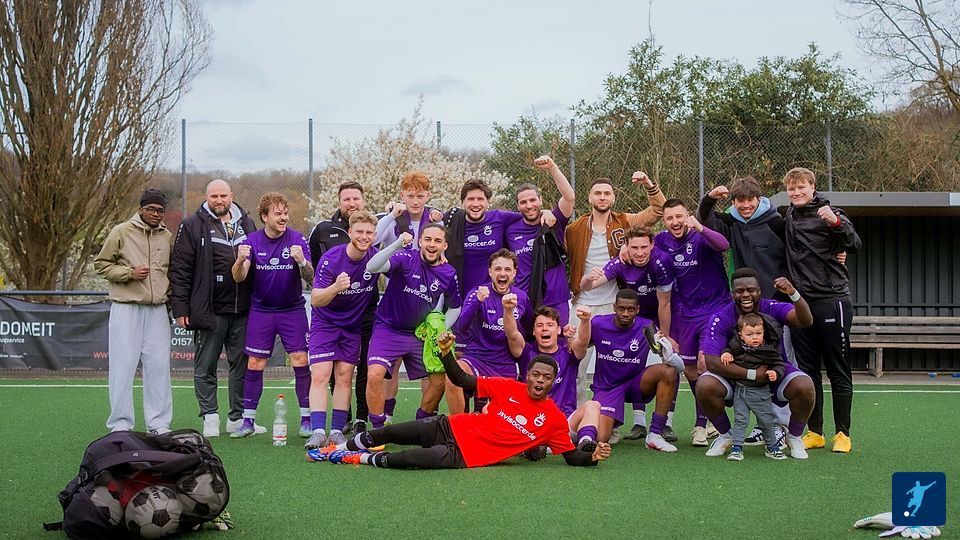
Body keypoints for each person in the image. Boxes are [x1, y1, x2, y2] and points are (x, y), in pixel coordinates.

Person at [308, 331, 612, 469]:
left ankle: (357, 458)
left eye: (546, 377)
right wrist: (446, 353)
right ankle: (339, 448)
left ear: (552, 381)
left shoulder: (554, 419)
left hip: (464, 456)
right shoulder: (509, 386)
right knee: (391, 432)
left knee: (403, 459)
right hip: (450, 426)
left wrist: (592, 457)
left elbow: (571, 456)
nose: (540, 381)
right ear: (528, 375)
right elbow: (463, 380)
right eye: (536, 375)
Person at [564, 172, 666, 441]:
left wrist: (649, 185)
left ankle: (611, 423)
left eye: (607, 193)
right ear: (589, 197)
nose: (602, 197)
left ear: (613, 197)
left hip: (614, 305)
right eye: (597, 193)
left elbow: (658, 210)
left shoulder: (625, 222)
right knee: (575, 369)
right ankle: (577, 425)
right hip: (582, 305)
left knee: (616, 370)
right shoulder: (574, 230)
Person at [171, 179, 260, 438]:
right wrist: (180, 308)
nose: (219, 200)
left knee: (241, 366)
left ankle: (236, 418)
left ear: (232, 195)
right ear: (206, 197)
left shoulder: (247, 223)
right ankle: (210, 417)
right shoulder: (192, 224)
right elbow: (180, 269)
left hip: (242, 309)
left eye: (223, 195)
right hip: (208, 310)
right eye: (214, 196)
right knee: (205, 366)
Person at [697, 268, 815, 460]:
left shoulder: (772, 307)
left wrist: (793, 293)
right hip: (738, 379)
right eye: (739, 291)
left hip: (772, 372)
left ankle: (794, 437)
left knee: (805, 385)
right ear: (732, 294)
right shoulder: (722, 317)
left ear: (759, 291)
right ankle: (725, 435)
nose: (745, 295)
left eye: (751, 290)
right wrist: (751, 374)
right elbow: (711, 361)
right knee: (705, 384)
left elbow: (806, 320)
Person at [782, 167, 862, 453]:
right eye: (792, 189)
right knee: (808, 371)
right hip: (801, 303)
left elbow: (854, 243)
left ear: (813, 187)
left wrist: (836, 223)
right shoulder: (789, 216)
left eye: (801, 187)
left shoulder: (830, 212)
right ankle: (815, 432)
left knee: (838, 369)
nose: (796, 192)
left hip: (832, 300)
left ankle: (843, 434)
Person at [230, 192, 314, 439]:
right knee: (255, 363)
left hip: (292, 310)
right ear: (264, 217)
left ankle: (307, 420)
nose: (283, 217)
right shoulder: (252, 241)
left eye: (285, 213)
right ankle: (248, 421)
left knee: (300, 360)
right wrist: (239, 260)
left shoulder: (297, 239)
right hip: (262, 311)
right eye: (277, 214)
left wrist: (301, 261)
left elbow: (311, 277)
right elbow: (239, 277)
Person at [580, 226, 675, 440]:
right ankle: (637, 423)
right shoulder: (620, 262)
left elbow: (665, 302)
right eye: (634, 248)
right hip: (632, 313)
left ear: (652, 245)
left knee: (669, 365)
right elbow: (587, 286)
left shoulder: (661, 261)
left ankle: (664, 426)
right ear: (626, 247)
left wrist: (666, 335)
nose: (639, 253)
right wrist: (587, 278)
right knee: (601, 435)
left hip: (659, 316)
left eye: (644, 247)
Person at [363, 224, 462, 428]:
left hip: (420, 335)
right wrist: (397, 244)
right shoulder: (406, 257)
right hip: (388, 329)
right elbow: (372, 267)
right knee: (374, 374)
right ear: (420, 241)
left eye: (437, 241)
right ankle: (378, 429)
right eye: (428, 239)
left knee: (439, 380)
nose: (432, 244)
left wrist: (440, 329)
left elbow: (455, 307)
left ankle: (422, 424)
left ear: (444, 246)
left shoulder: (448, 272)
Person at [94, 188, 173, 434]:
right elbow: (101, 264)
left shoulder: (167, 236)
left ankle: (158, 424)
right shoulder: (121, 231)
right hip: (126, 307)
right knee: (122, 366)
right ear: (140, 209)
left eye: (160, 210)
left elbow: (171, 272)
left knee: (159, 368)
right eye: (151, 209)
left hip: (157, 309)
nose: (156, 214)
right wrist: (129, 273)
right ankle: (120, 424)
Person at [655, 198, 731, 446]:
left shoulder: (700, 236)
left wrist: (700, 227)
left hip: (714, 309)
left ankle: (701, 424)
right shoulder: (661, 241)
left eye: (679, 216)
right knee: (688, 370)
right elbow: (643, 250)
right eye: (669, 218)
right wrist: (625, 251)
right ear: (664, 221)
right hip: (686, 313)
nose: (675, 222)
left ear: (687, 216)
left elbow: (724, 245)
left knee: (703, 363)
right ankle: (710, 419)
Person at [305, 211, 381, 450]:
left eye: (369, 233)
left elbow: (405, 262)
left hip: (352, 326)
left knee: (345, 377)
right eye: (359, 231)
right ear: (350, 232)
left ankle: (337, 432)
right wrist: (336, 287)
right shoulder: (332, 258)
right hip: (325, 323)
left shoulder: (376, 257)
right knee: (321, 375)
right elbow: (316, 298)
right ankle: (318, 432)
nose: (364, 236)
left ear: (374, 236)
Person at [581, 289, 684, 452]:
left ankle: (655, 435)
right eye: (621, 308)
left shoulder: (647, 327)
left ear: (637, 310)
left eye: (630, 309)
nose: (625, 313)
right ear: (614, 307)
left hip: (636, 384)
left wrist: (668, 350)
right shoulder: (598, 323)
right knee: (600, 437)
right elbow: (579, 346)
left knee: (668, 372)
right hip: (608, 388)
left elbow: (678, 367)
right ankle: (605, 424)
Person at [448, 249, 533, 414]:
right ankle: (458, 424)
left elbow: (530, 329)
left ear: (514, 273)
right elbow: (462, 327)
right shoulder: (478, 293)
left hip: (505, 364)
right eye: (498, 269)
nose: (502, 273)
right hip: (476, 358)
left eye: (507, 269)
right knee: (453, 375)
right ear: (490, 272)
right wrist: (477, 302)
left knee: (494, 416)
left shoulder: (522, 297)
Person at [506, 155, 575, 324]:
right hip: (524, 298)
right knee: (524, 340)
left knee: (558, 339)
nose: (529, 205)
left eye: (532, 200)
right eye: (523, 202)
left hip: (556, 298)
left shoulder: (554, 222)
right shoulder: (510, 231)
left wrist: (552, 168)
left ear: (540, 201)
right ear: (517, 206)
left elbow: (569, 198)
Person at [721, 312, 787, 461]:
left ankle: (772, 447)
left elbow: (779, 363)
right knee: (740, 421)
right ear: (741, 335)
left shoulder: (768, 350)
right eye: (749, 334)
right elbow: (728, 348)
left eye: (758, 333)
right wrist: (726, 353)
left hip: (760, 392)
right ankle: (737, 448)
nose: (755, 337)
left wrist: (775, 372)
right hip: (740, 391)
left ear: (764, 333)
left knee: (766, 421)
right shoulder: (736, 345)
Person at [373, 171, 443, 249]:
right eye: (410, 196)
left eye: (420, 196)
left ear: (428, 196)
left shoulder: (436, 221)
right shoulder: (392, 220)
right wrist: (392, 215)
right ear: (402, 195)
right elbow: (371, 240)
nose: (415, 202)